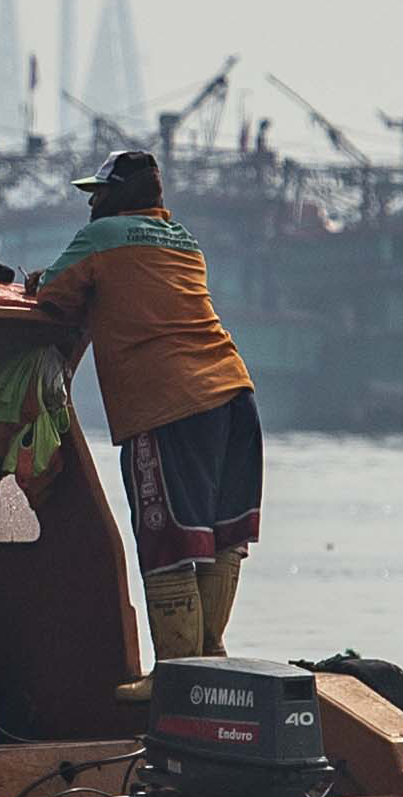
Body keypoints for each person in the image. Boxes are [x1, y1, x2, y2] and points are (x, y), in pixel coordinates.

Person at [29, 148, 262, 664]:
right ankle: (209, 659)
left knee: (167, 543)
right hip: (234, 394)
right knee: (221, 539)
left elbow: (51, 293)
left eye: (98, 194)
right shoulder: (183, 239)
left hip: (168, 405)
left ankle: (176, 670)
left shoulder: (101, 237)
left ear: (116, 196)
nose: (91, 204)